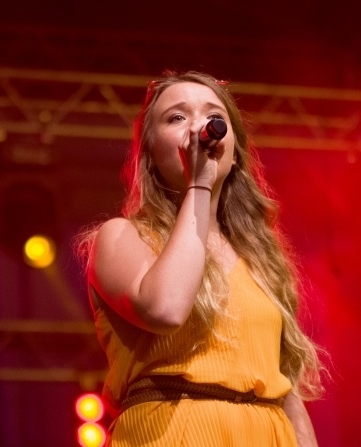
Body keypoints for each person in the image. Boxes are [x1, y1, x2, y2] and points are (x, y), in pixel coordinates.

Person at [78, 70, 324, 446]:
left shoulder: (262, 259)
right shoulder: (121, 237)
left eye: (213, 116)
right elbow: (166, 308)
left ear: (235, 152)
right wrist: (199, 183)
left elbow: (286, 389)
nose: (198, 127)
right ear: (149, 151)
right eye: (177, 117)